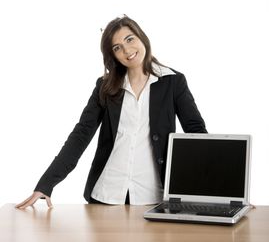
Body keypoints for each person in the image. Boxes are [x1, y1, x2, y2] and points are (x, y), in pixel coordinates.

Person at [16, 15, 207, 209]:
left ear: (142, 37)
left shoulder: (173, 82)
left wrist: (209, 188)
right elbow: (81, 134)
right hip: (106, 193)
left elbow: (196, 131)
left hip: (154, 196)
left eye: (129, 39)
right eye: (117, 48)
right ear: (113, 55)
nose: (126, 50)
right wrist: (47, 184)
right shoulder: (106, 87)